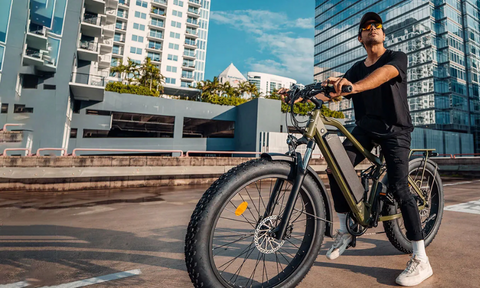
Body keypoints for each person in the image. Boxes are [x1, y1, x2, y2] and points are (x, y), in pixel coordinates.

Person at [279, 12, 433, 287]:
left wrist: (356, 87)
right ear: (360, 37)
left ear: (383, 35)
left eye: (377, 26)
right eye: (366, 27)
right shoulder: (355, 68)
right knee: (335, 167)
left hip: (395, 129)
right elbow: (332, 92)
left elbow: (382, 76)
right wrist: (300, 94)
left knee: (399, 187)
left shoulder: (396, 58)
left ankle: (421, 259)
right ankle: (345, 231)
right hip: (366, 128)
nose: (372, 28)